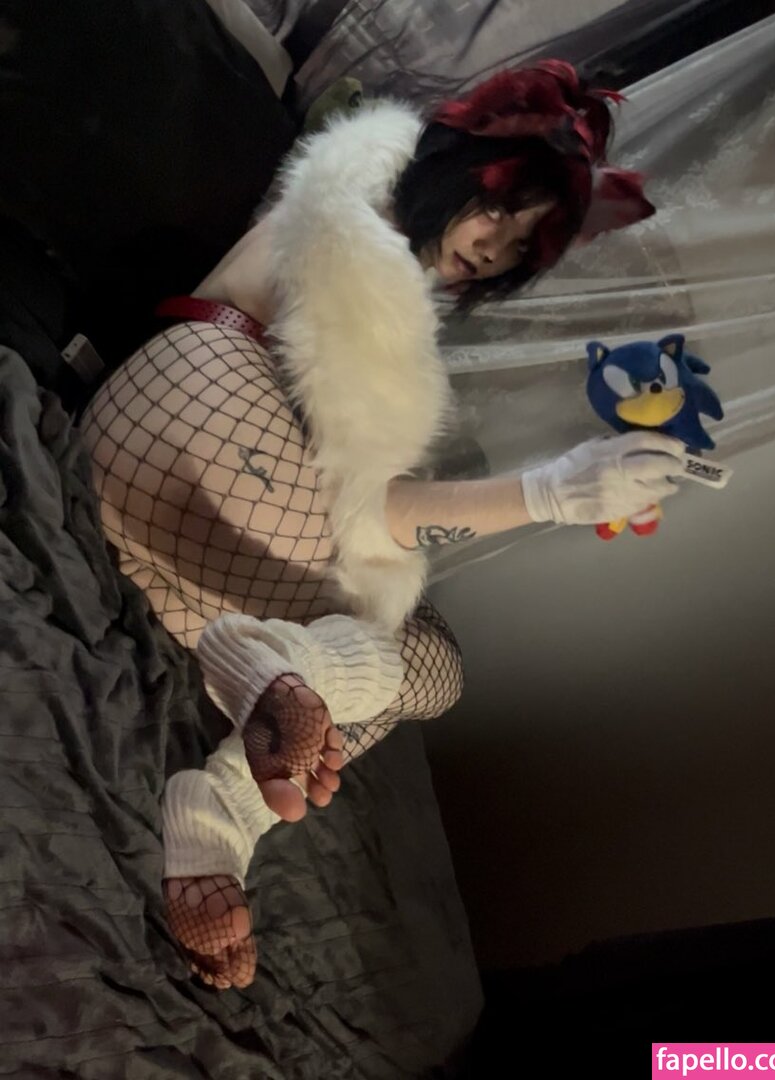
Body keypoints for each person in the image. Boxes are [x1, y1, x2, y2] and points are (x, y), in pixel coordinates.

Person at [80, 60, 687, 989]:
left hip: (145, 414)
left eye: (521, 245)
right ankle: (235, 778)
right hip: (210, 426)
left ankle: (270, 698)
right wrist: (559, 491)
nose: (493, 250)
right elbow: (373, 515)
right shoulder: (374, 266)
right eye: (496, 210)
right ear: (459, 168)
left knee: (382, 663)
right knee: (429, 662)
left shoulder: (354, 177)